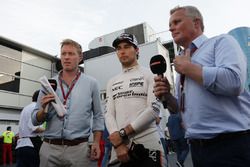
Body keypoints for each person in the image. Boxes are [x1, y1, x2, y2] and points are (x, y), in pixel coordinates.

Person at [153, 5, 250, 167]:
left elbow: (234, 82)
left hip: (231, 145)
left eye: (176, 22)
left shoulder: (221, 42)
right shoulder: (183, 61)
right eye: (170, 25)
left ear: (196, 23)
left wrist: (188, 69)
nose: (171, 28)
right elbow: (181, 109)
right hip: (198, 149)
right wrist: (168, 96)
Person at [32, 39, 104, 167]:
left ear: (80, 57)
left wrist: (97, 142)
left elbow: (98, 115)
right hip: (49, 149)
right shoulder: (48, 84)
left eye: (71, 54)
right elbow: (34, 120)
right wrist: (43, 110)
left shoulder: (92, 84)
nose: (66, 57)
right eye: (63, 54)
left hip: (79, 151)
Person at [105, 33, 167, 167]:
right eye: (119, 48)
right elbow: (109, 114)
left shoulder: (150, 75)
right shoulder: (111, 81)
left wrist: (122, 134)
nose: (122, 51)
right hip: (120, 149)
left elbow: (153, 110)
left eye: (127, 47)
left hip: (149, 145)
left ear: (137, 50)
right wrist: (118, 143)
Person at [16, 90, 45, 167]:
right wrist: (49, 130)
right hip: (31, 145)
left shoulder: (26, 108)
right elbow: (34, 128)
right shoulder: (36, 109)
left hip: (21, 145)